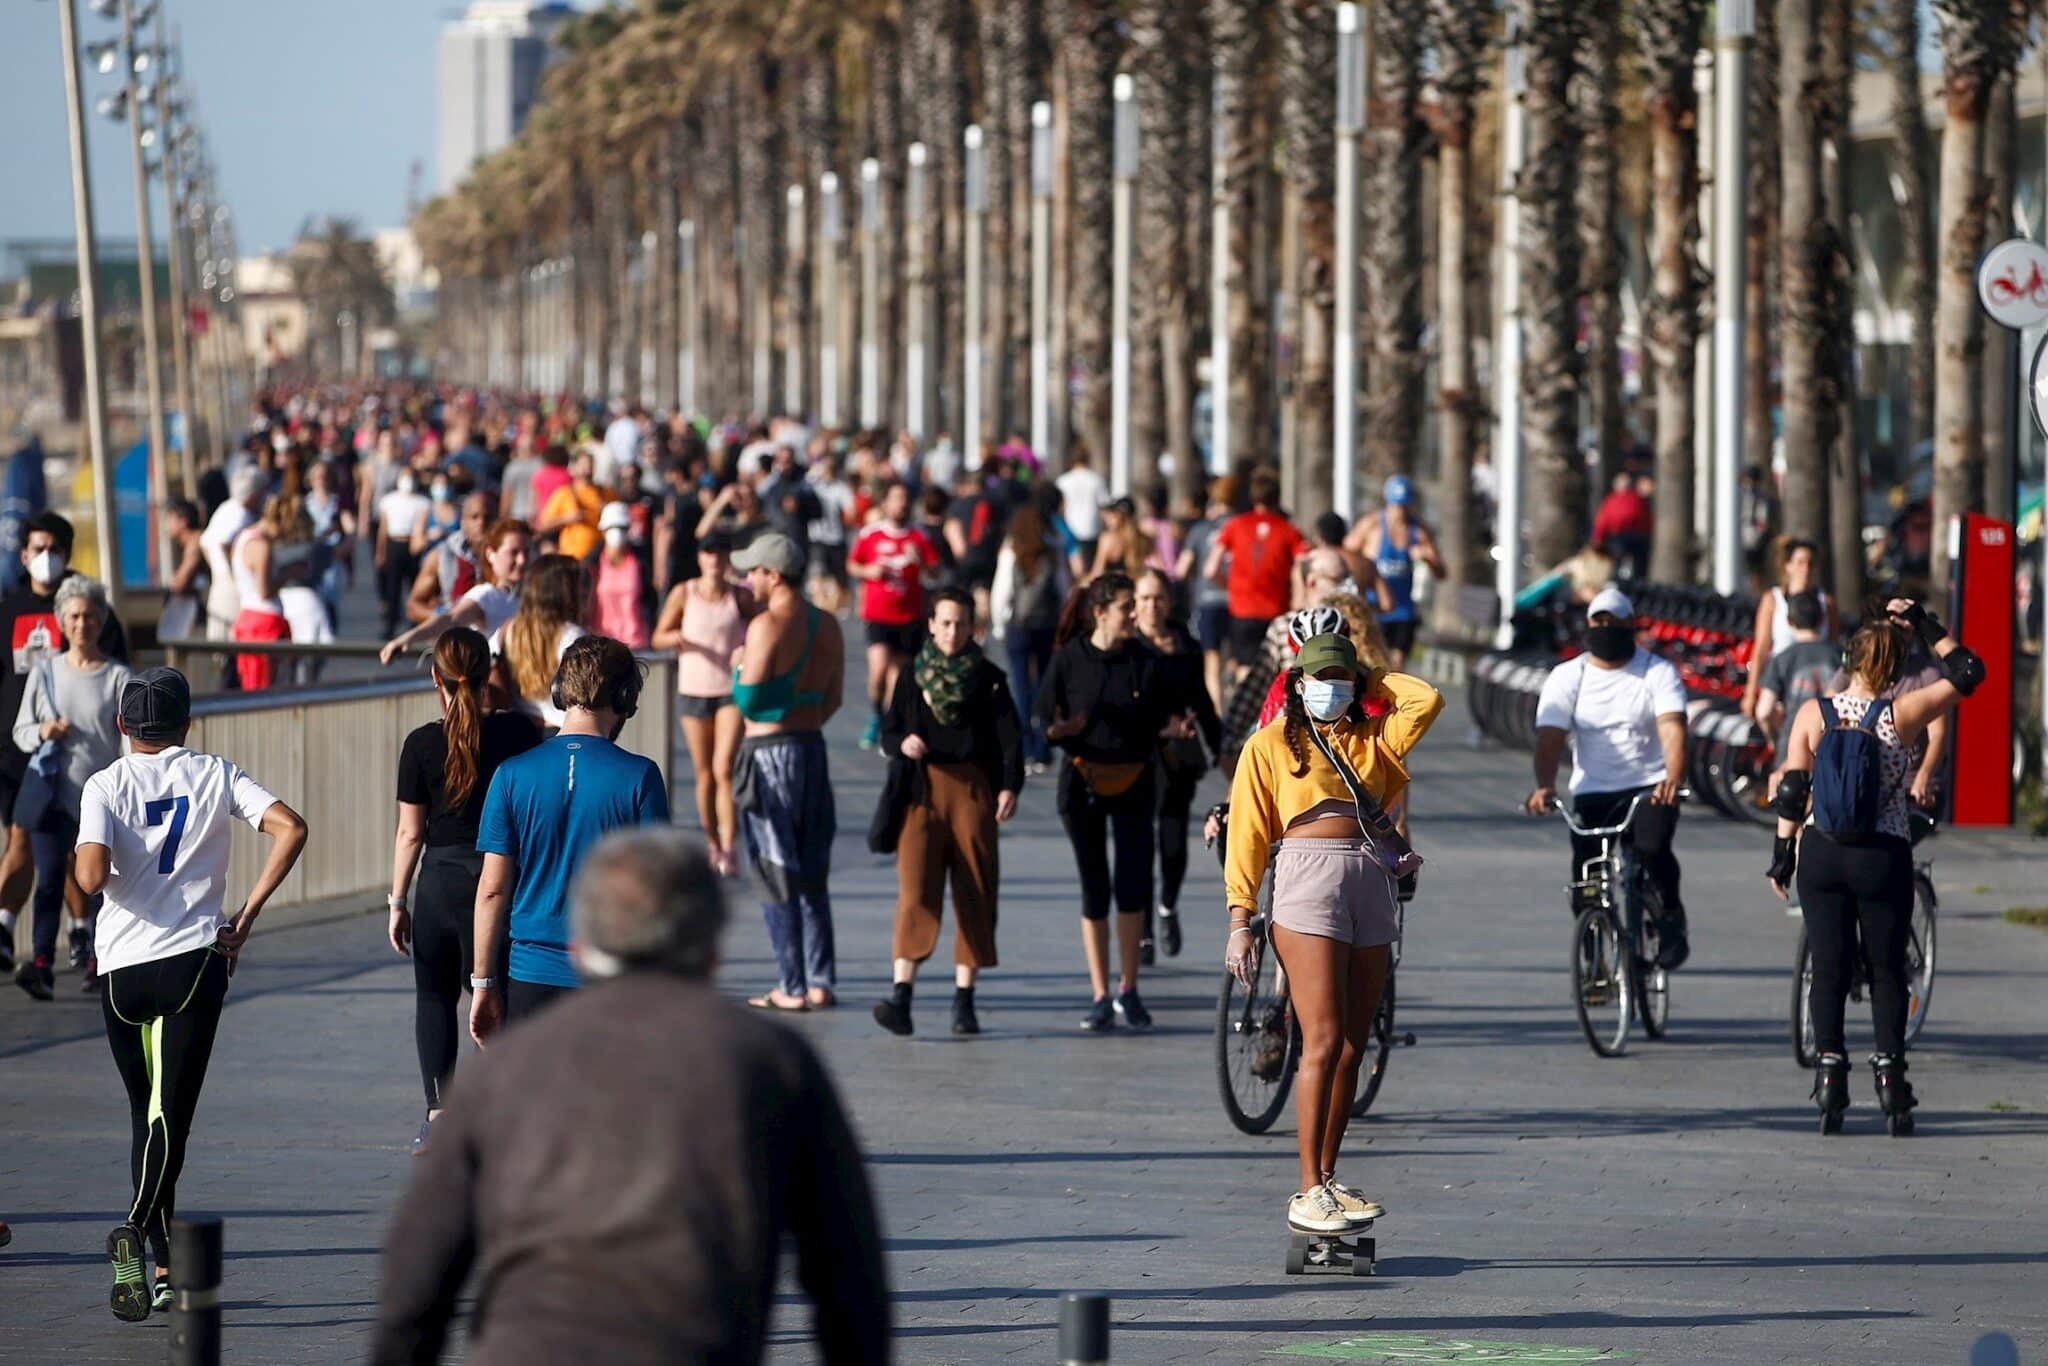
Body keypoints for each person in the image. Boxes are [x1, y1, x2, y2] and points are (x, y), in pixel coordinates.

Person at [370, 829, 889, 1366]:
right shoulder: (771, 1062)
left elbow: (420, 1273)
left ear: (580, 948)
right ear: (712, 950)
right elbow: (847, 1274)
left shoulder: (507, 1068)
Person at [74, 667, 308, 1321]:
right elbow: (291, 826)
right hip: (192, 966)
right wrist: (248, 916)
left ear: (122, 726)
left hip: (121, 969)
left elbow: (91, 877)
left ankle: (167, 1266)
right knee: (169, 1117)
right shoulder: (216, 773)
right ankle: (133, 1227)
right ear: (187, 722)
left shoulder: (105, 783)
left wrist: (87, 855)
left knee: (145, 1117)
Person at [1223, 632, 1442, 1235]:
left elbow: (1425, 701)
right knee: (1319, 1039)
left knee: (1353, 1041)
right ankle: (1305, 1189)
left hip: (1370, 879)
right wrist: (1240, 919)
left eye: (1341, 679)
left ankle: (1327, 1175)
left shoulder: (1374, 739)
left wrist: (1369, 675)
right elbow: (1245, 834)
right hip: (1306, 878)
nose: (1333, 688)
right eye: (1320, 678)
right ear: (1297, 684)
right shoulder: (1267, 747)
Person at [1766, 598, 1984, 1134]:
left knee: (1829, 966)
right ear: (1890, 668)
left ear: (1852, 657)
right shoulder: (1902, 714)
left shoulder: (1814, 712)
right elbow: (1970, 671)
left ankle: (1830, 1078)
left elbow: (1793, 790)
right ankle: (1891, 1082)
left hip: (1822, 851)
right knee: (1888, 970)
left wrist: (1782, 857)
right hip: (1881, 853)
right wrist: (1929, 626)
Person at [388, 629, 541, 1153]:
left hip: (439, 884)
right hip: (500, 880)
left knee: (433, 997)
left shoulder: (420, 744)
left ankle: (439, 1112)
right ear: (487, 673)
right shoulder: (521, 734)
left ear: (437, 678)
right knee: (497, 993)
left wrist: (397, 901)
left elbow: (410, 833)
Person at [471, 636, 669, 1038]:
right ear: (625, 696)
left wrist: (483, 983)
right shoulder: (640, 777)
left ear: (561, 691)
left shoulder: (512, 774)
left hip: (530, 975)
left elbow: (492, 890)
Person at [1037, 573, 1194, 1031]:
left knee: (1131, 888)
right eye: (1126, 607)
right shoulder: (1069, 659)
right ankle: (1100, 993)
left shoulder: (1145, 660)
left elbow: (1165, 714)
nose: (1134, 615)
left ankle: (1129, 989)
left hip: (1135, 779)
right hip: (1083, 780)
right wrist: (1060, 731)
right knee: (1095, 889)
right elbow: (1045, 720)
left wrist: (1172, 729)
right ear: (1100, 612)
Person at [874, 589, 1022, 1037]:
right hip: (922, 790)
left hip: (972, 789)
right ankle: (902, 994)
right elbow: (890, 729)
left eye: (961, 624)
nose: (953, 632)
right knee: (915, 888)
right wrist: (902, 743)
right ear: (932, 625)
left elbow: (1011, 739)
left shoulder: (989, 678)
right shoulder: (911, 675)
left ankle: (965, 999)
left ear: (971, 627)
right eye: (945, 623)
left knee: (975, 888)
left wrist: (1008, 787)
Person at [1525, 586, 1691, 969]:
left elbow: (1672, 728)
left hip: (1650, 787)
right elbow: (1549, 739)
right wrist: (1544, 785)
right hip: (1593, 791)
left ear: (1631, 627)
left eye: (1614, 624)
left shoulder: (1656, 671)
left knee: (1652, 850)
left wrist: (1673, 776)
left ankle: (1669, 916)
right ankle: (1594, 949)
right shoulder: (1569, 676)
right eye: (1598, 622)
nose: (1606, 629)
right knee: (1585, 878)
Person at [0, 514, 127, 983]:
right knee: (49, 874)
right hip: (47, 787)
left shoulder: (117, 674)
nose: (81, 625)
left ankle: (97, 955)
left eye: (89, 617)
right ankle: (37, 961)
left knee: (95, 880)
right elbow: (21, 727)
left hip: (98, 792)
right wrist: (43, 734)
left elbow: (128, 734)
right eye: (73, 617)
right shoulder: (44, 668)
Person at [731, 532, 846, 1012]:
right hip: (810, 747)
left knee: (775, 867)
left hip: (769, 752)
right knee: (813, 870)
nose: (748, 579)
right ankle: (820, 979)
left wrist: (739, 667)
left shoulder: (768, 625)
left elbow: (750, 698)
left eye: (754, 571)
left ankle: (791, 985)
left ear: (774, 576)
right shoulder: (828, 625)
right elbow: (834, 698)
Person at [652, 533, 755, 878]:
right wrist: (677, 639)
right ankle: (712, 841)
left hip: (729, 689)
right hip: (693, 689)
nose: (714, 560)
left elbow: (761, 625)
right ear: (700, 559)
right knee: (704, 772)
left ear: (728, 559)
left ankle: (730, 845)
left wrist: (748, 647)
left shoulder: (738, 595)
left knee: (724, 767)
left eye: (721, 553)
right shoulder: (685, 592)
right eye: (709, 553)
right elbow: (659, 635)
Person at [1133, 568, 1221, 963]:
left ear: (1169, 603)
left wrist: (1218, 742)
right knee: (1138, 844)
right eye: (1145, 599)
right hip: (1135, 755)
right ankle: (1144, 930)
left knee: (1170, 842)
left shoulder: (1185, 646)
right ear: (1134, 604)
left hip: (1176, 759)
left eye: (1158, 599)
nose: (1152, 607)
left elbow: (1201, 699)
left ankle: (1167, 906)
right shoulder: (1127, 646)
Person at [848, 481, 941, 751]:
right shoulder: (871, 535)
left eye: (905, 498)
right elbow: (853, 565)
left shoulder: (919, 537)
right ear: (885, 503)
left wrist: (920, 563)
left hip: (910, 616)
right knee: (878, 669)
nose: (901, 504)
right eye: (895, 498)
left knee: (897, 677)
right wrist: (869, 572)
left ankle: (888, 724)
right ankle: (876, 713)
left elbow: (935, 573)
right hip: (878, 615)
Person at [379, 519, 534, 666]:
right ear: (490, 554)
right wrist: (409, 639)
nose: (521, 560)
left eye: (526, 552)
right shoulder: (487, 595)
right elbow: (451, 617)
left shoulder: (531, 597)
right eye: (513, 552)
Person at [1207, 466, 1309, 681]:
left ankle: (1247, 710)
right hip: (1276, 609)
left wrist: (1230, 585)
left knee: (1245, 664)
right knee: (1277, 667)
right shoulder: (1290, 531)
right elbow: (1302, 566)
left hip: (1242, 608)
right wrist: (1298, 600)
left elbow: (1210, 569)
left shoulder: (1235, 526)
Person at [990, 498, 1065, 774]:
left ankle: (1025, 746)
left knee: (1020, 685)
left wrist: (999, 625)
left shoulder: (1012, 551)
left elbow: (1001, 592)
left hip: (1019, 626)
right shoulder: (1052, 550)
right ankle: (1044, 747)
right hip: (1046, 624)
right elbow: (1063, 588)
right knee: (1044, 685)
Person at [1346, 475, 1445, 670]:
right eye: (1396, 505)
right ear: (1387, 502)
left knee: (1396, 665)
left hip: (1403, 612)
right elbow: (1345, 555)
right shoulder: (1371, 526)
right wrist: (1364, 569)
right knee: (1371, 665)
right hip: (1375, 609)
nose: (1400, 511)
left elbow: (1441, 573)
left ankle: (1392, 700)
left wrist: (1427, 558)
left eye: (1404, 505)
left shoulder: (1419, 532)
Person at [1742, 538, 1839, 720]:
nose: (1806, 569)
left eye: (1811, 563)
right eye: (1800, 562)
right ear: (1788, 566)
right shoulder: (1773, 600)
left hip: (1817, 685)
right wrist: (1750, 692)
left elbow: (1833, 647)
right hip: (1781, 683)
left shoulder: (1826, 602)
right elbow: (1761, 649)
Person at [495, 555, 590, 730]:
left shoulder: (509, 630)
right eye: (577, 585)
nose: (582, 591)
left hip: (520, 732)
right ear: (562, 591)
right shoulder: (572, 636)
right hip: (560, 732)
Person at [229, 494, 302, 692]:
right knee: (266, 689)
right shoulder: (262, 545)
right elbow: (265, 590)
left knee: (252, 685)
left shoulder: (243, 537)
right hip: (265, 621)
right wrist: (289, 572)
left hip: (248, 616)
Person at [1177, 477, 1237, 713]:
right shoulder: (1241, 525)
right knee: (1237, 660)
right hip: (1238, 601)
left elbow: (1182, 568)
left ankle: (1218, 712)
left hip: (1207, 600)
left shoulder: (1201, 529)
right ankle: (1237, 705)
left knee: (1211, 662)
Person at [1754, 591, 1838, 745]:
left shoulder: (1782, 660)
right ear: (1822, 619)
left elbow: (1763, 712)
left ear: (1790, 622)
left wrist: (1775, 740)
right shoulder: (1840, 656)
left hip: (1792, 745)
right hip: (1833, 745)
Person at [405, 490, 497, 625]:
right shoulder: (442, 556)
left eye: (488, 517)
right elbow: (413, 606)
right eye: (474, 517)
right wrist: (445, 617)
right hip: (455, 638)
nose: (481, 523)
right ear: (463, 521)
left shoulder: (511, 555)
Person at [201, 467, 263, 648]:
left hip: (220, 583)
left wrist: (216, 568)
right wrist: (235, 571)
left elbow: (205, 542)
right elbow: (223, 544)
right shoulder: (241, 515)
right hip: (230, 588)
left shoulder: (226, 508)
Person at [375, 467, 432, 638]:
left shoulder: (422, 502)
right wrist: (380, 551)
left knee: (414, 585)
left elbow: (422, 525)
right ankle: (391, 624)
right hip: (394, 543)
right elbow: (383, 528)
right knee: (393, 587)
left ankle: (414, 623)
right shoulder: (388, 501)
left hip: (412, 544)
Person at [592, 502, 652, 648]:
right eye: (612, 527)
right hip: (602, 642)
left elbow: (649, 599)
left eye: (622, 527)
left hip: (636, 642)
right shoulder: (593, 563)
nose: (617, 532)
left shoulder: (640, 561)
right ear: (603, 530)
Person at [537, 447, 609, 560]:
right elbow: (544, 524)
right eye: (583, 464)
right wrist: (566, 518)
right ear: (574, 467)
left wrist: (607, 511)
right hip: (571, 556)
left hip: (600, 556)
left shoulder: (606, 493)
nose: (588, 468)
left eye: (590, 464)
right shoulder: (564, 493)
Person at [159, 500, 208, 643]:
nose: (167, 525)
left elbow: (179, 584)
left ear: (183, 521)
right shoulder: (193, 543)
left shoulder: (195, 543)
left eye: (170, 519)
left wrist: (175, 580)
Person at [1054, 446, 1108, 571]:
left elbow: (1059, 508)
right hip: (1091, 530)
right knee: (1089, 569)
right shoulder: (1096, 480)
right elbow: (1104, 506)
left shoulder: (1063, 481)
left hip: (1069, 531)